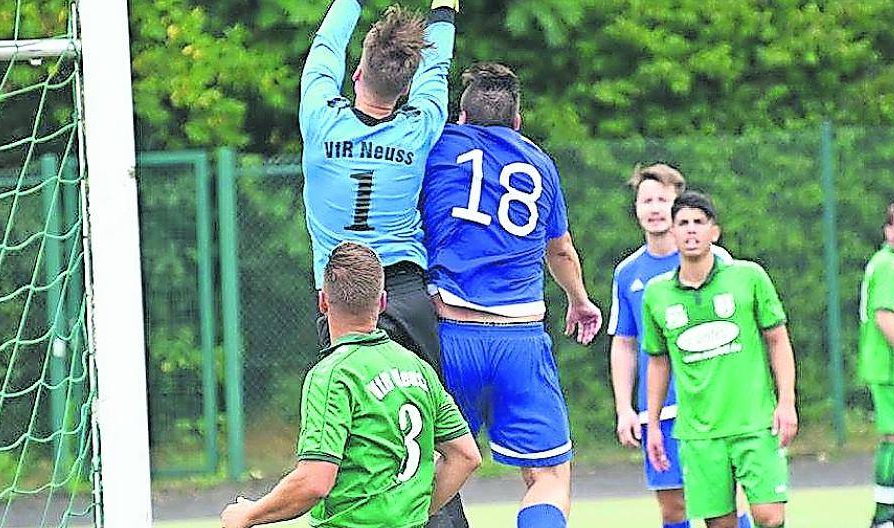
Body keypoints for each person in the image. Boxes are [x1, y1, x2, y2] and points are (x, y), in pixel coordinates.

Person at [299, 2, 469, 525]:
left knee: (353, 441)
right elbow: (437, 69)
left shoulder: (319, 117)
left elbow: (324, 47)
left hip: (347, 298)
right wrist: (443, 11)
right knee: (433, 435)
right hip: (406, 295)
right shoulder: (419, 129)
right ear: (408, 86)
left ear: (356, 72)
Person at [420, 62, 602, 528]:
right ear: (517, 122)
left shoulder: (438, 146)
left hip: (449, 336)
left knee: (426, 466)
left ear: (460, 116)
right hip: (519, 339)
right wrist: (579, 300)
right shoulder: (539, 163)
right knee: (548, 477)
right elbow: (559, 249)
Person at [220, 242, 481, 528]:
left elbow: (314, 481)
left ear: (323, 302)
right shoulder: (417, 367)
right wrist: (414, 515)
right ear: (382, 302)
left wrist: (248, 515)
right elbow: (465, 456)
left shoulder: (333, 375)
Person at [607, 164, 750, 528]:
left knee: (725, 504)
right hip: (662, 409)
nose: (654, 208)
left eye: (662, 200)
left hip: (714, 404)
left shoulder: (718, 262)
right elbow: (624, 343)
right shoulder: (628, 273)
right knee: (673, 508)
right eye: (646, 200)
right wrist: (625, 408)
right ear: (636, 209)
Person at [644, 191, 797, 528]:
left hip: (754, 422)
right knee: (719, 523)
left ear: (714, 231)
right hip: (700, 433)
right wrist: (652, 423)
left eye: (699, 222)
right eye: (683, 223)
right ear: (672, 232)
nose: (691, 230)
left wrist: (786, 401)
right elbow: (658, 361)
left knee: (769, 517)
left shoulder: (748, 277)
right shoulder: (657, 294)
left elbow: (777, 339)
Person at [859, 201, 894, 528]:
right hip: (892, 368)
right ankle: (884, 510)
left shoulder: (887, 262)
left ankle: (889, 507)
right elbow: (886, 318)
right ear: (888, 231)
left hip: (889, 366)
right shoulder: (890, 264)